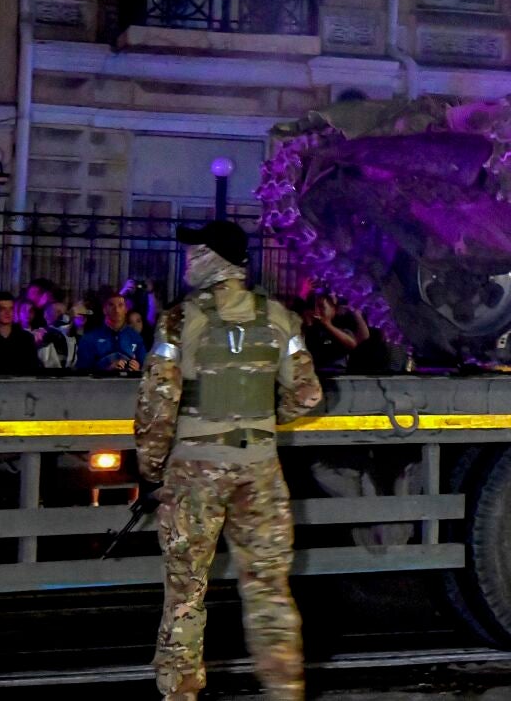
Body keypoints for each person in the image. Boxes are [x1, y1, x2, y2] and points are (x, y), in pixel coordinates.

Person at [135, 220, 321, 701]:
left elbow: (157, 404)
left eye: (194, 252)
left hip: (194, 470)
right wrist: (261, 419)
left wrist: (151, 468)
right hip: (259, 469)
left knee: (186, 589)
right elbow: (307, 394)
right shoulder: (279, 317)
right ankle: (284, 689)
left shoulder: (178, 320)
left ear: (212, 259)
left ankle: (180, 692)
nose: (187, 261)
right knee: (269, 590)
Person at [79, 294, 145, 372]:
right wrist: (107, 370)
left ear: (126, 309)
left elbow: (145, 368)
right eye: (111, 305)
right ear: (104, 310)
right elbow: (82, 371)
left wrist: (137, 369)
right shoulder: (89, 338)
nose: (116, 310)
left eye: (120, 305)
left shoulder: (136, 338)